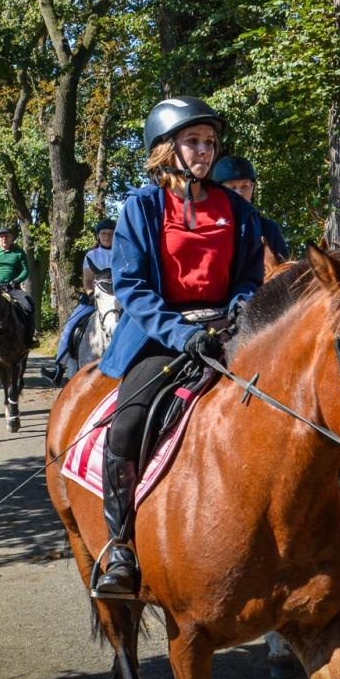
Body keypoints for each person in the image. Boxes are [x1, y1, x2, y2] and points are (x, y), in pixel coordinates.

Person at [92, 97, 264, 599]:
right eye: (194, 141)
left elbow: (250, 276)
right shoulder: (141, 209)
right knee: (126, 425)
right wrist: (180, 332)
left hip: (232, 330)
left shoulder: (237, 208)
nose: (205, 151)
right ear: (167, 149)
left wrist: (238, 308)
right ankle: (121, 546)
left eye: (210, 143)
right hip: (163, 334)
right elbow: (132, 287)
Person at [45, 217, 117, 385]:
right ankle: (59, 366)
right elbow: (88, 281)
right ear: (98, 236)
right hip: (94, 297)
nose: (107, 236)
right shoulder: (92, 255)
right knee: (71, 324)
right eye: (104, 233)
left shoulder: (122, 253)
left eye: (110, 234)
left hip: (118, 298)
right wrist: (91, 294)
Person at [212, 154, 290, 261]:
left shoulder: (269, 229)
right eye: (231, 187)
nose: (239, 193)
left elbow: (285, 273)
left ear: (253, 188)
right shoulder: (206, 227)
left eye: (245, 186)